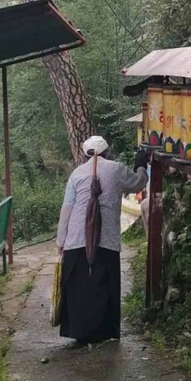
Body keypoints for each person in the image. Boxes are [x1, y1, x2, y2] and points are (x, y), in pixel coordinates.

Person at [56, 136, 149, 345]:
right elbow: (139, 183)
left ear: (84, 154)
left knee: (78, 289)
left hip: (76, 241)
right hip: (106, 240)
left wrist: (61, 240)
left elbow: (67, 210)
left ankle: (80, 333)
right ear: (108, 152)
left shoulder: (76, 174)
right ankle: (104, 332)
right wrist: (141, 164)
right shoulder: (116, 169)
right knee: (103, 286)